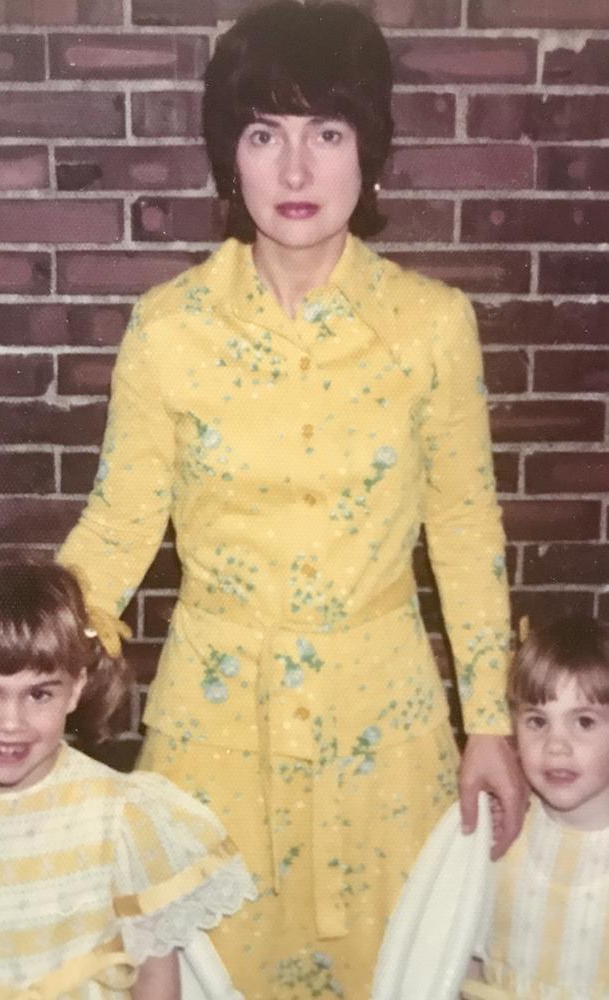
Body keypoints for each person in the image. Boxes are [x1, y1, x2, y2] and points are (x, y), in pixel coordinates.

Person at [58, 2, 525, 995]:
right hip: (214, 723)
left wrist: (487, 721)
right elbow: (120, 521)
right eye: (264, 134)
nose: (297, 171)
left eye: (327, 133)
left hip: (383, 722)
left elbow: (464, 526)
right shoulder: (168, 327)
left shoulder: (431, 327)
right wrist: (24, 657)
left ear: (371, 152)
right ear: (229, 159)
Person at [0, 556, 255, 1000]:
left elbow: (154, 975)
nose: (10, 723)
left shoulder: (119, 816)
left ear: (76, 687)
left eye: (39, 694)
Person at [462, 616, 609, 998]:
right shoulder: (503, 829)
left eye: (585, 722)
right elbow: (466, 953)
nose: (555, 746)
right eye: (537, 721)